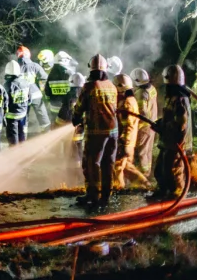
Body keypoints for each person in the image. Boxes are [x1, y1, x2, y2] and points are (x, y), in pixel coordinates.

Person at [72, 54, 118, 209]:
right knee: (108, 163)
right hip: (113, 131)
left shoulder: (90, 86)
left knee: (92, 163)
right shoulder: (112, 86)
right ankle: (106, 195)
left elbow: (80, 107)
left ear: (91, 70)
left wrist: (76, 117)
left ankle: (93, 195)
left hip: (96, 132)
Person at [151, 65, 193, 200]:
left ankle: (175, 194)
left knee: (172, 171)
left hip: (176, 143)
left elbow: (180, 124)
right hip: (167, 141)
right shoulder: (173, 97)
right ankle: (162, 190)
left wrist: (163, 127)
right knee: (159, 170)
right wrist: (160, 122)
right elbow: (170, 117)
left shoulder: (180, 99)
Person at [113, 73, 150, 190]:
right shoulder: (130, 100)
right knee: (128, 169)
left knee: (118, 168)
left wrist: (123, 143)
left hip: (126, 142)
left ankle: (118, 191)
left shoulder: (126, 103)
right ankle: (145, 186)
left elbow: (128, 125)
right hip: (128, 142)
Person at [131, 68, 159, 178]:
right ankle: (146, 173)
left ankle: (142, 177)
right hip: (152, 124)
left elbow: (141, 112)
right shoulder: (152, 88)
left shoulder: (141, 93)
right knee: (147, 151)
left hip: (143, 127)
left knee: (141, 152)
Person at [56, 72, 86, 163]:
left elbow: (64, 112)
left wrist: (58, 123)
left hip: (69, 125)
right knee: (78, 144)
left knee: (69, 147)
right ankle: (78, 166)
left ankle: (70, 168)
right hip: (81, 125)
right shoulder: (85, 93)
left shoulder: (69, 95)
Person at [4, 61, 30, 146]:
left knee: (13, 137)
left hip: (11, 116)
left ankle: (14, 155)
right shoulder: (25, 82)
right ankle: (23, 153)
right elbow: (29, 99)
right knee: (22, 135)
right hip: (23, 114)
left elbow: (4, 101)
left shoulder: (8, 85)